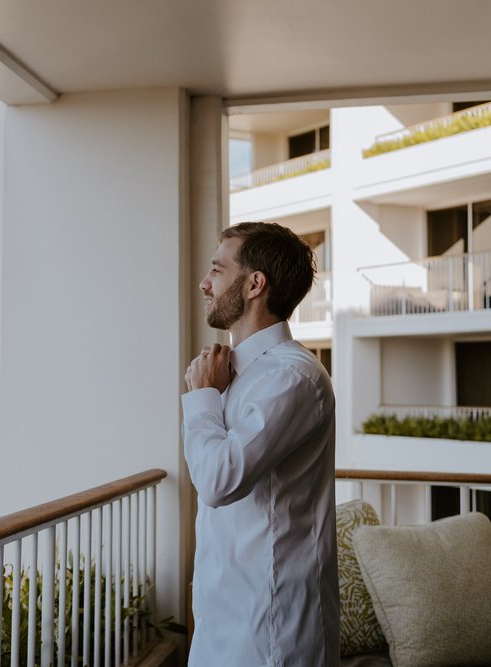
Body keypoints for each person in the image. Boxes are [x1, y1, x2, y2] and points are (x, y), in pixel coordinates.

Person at [182, 222, 339, 666]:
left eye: (216, 269)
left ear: (254, 284)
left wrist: (201, 399)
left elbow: (217, 481)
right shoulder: (236, 373)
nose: (204, 283)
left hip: (271, 631)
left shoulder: (291, 377)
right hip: (222, 622)